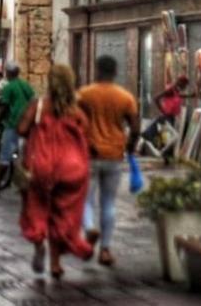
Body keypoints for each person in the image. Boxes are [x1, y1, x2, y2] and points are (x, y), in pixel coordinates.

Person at [18, 63, 94, 279]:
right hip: (72, 167)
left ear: (50, 82)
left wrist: (37, 131)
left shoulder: (39, 106)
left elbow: (21, 129)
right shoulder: (76, 110)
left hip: (42, 165)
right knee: (63, 212)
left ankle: (38, 243)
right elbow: (85, 135)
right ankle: (55, 264)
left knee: (38, 206)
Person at [77, 55, 140, 267]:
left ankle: (89, 229)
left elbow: (75, 121)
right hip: (114, 155)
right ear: (115, 72)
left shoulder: (85, 95)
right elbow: (135, 127)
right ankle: (105, 249)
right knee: (109, 202)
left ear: (97, 70)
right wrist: (129, 147)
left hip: (89, 154)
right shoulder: (125, 97)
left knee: (86, 200)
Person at [0, 61, 35, 191]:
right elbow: (33, 101)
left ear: (8, 73)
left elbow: (4, 107)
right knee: (23, 153)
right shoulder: (25, 85)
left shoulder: (8, 87)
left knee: (5, 154)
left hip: (13, 124)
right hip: (27, 124)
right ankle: (23, 180)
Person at [142, 75, 189, 142]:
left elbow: (179, 96)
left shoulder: (176, 91)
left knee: (164, 137)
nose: (185, 87)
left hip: (170, 117)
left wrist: (190, 96)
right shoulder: (171, 90)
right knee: (164, 138)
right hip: (167, 117)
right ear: (181, 83)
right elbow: (156, 98)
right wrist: (163, 111)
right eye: (185, 85)